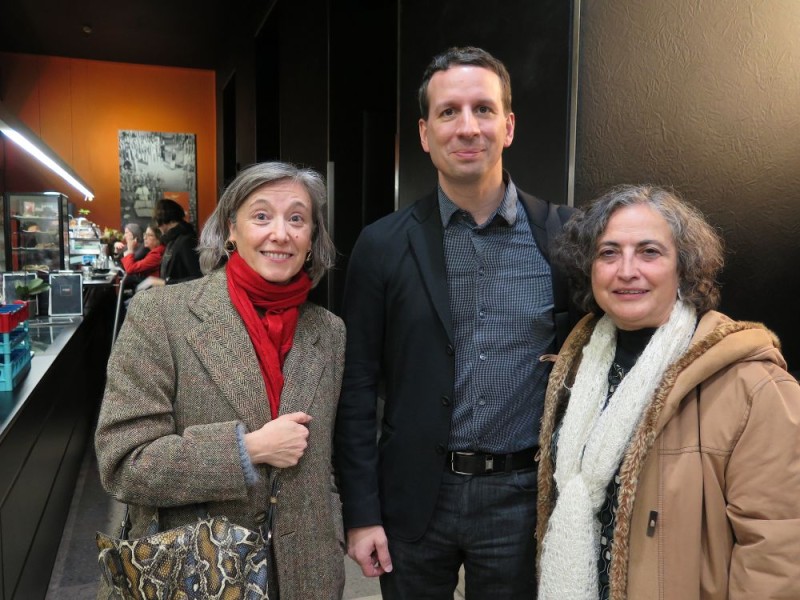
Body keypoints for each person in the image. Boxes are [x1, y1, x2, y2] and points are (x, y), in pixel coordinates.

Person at [334, 46, 578, 598]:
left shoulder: (566, 237)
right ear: (425, 133)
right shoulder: (381, 245)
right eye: (448, 112)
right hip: (416, 496)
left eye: (483, 110)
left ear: (508, 126)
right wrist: (362, 512)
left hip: (523, 501)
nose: (467, 127)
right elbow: (355, 389)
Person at [536, 184, 800, 599]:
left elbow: (778, 547)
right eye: (609, 252)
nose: (626, 270)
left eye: (649, 252)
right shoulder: (577, 364)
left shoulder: (754, 387)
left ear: (684, 267)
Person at [95, 162, 346, 599]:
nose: (280, 233)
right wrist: (248, 450)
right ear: (231, 229)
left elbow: (324, 461)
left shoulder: (328, 332)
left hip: (308, 575)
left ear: (311, 240)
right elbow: (123, 462)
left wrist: (334, 535)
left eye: (297, 219)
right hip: (194, 574)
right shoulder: (162, 317)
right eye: (262, 216)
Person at [136, 198, 202, 290]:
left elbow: (197, 279)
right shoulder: (173, 240)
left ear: (168, 220)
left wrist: (163, 283)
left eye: (159, 221)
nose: (158, 226)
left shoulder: (186, 241)